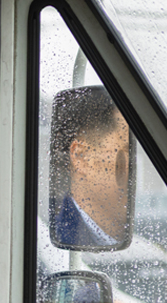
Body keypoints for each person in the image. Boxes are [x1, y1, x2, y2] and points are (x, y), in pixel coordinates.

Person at [49, 85, 133, 250]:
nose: (133, 168)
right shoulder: (61, 246)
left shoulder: (125, 240)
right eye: (126, 151)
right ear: (82, 158)